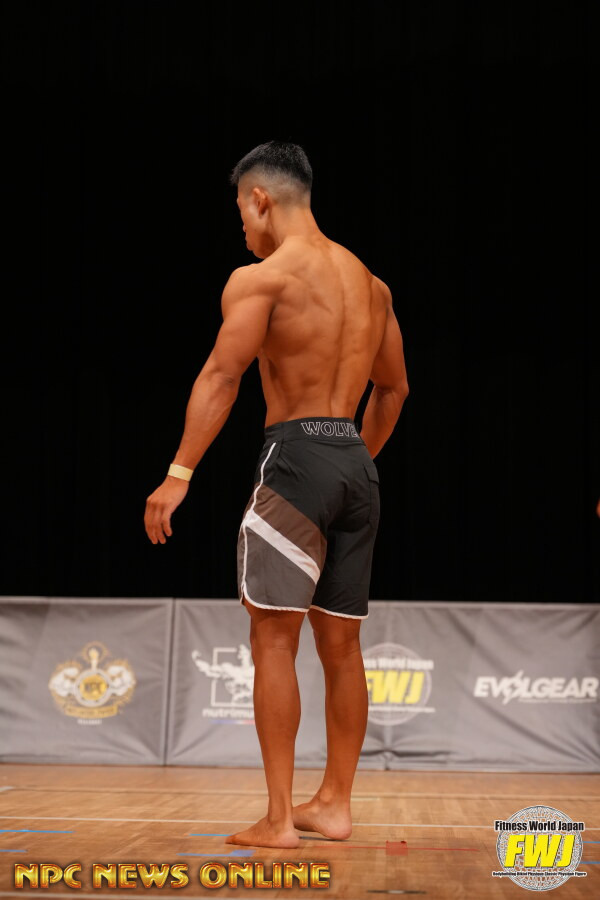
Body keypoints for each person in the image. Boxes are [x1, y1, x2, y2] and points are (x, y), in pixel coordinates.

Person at [144, 141, 409, 849]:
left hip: (294, 462)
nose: (241, 227)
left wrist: (178, 473)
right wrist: (349, 459)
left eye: (241, 211)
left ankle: (278, 819)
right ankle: (335, 806)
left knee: (272, 637)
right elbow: (394, 389)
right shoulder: (371, 284)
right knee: (343, 645)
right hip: (356, 464)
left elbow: (221, 376)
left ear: (260, 199)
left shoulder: (262, 278)